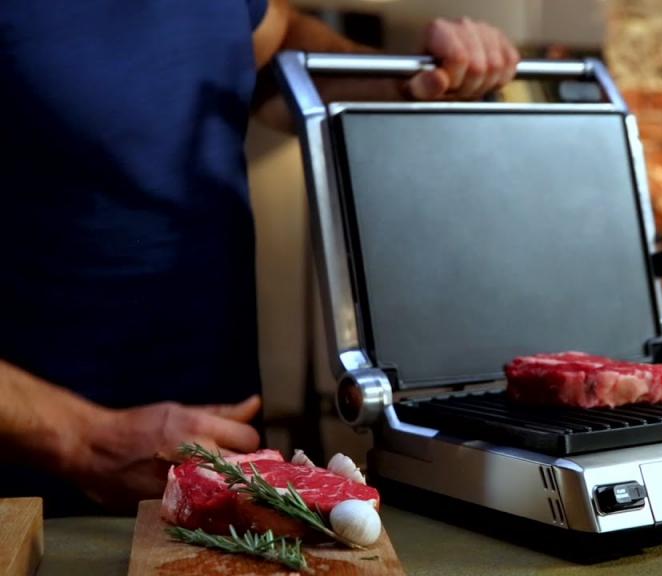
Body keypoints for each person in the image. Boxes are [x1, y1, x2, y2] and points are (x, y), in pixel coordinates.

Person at [0, 0, 519, 515]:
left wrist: (410, 77)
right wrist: (87, 443)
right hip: (34, 502)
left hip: (225, 477)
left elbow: (273, 46)